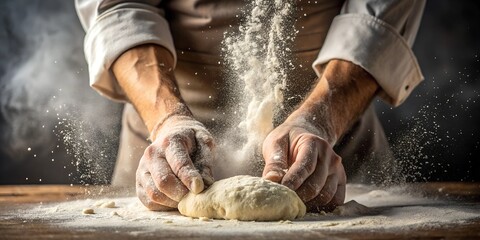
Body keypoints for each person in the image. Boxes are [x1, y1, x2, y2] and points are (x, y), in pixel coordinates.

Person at [76, 0, 425, 212]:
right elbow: (121, 10)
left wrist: (320, 120)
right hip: (164, 150)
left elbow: (376, 19)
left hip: (332, 144)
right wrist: (168, 118)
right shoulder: (165, 134)